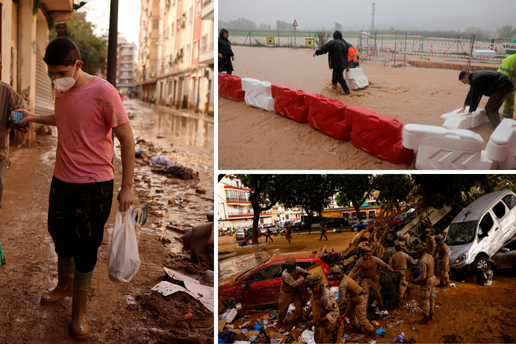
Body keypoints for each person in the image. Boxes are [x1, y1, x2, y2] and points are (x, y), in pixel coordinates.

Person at [14, 37, 134, 340]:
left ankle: (79, 311)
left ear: (78, 65)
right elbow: (66, 119)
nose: (57, 79)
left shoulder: (104, 92)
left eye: (61, 72)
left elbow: (127, 139)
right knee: (59, 234)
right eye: (53, 74)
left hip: (95, 186)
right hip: (62, 180)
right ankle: (63, 286)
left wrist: (127, 187)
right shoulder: (61, 89)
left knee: (86, 246)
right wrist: (33, 117)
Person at [0, 59, 28, 217]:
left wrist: (15, 119)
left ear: (0, 68)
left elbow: (24, 123)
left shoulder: (7, 92)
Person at [330, 265, 374, 336]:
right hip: (355, 297)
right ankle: (355, 327)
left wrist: (333, 306)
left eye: (333, 275)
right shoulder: (344, 276)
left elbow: (341, 298)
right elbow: (333, 278)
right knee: (349, 313)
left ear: (337, 275)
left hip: (361, 298)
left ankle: (372, 333)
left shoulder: (343, 283)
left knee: (362, 320)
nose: (333, 276)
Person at [304, 272, 344, 343]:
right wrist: (307, 312)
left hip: (327, 326)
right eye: (312, 287)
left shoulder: (327, 296)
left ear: (320, 284)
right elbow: (313, 302)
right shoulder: (313, 292)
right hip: (318, 325)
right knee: (318, 341)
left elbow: (335, 312)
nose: (314, 289)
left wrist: (321, 321)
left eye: (316, 287)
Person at [313, 30, 350, 95]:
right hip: (342, 65)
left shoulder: (332, 42)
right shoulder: (344, 44)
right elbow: (346, 55)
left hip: (336, 64)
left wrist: (316, 52)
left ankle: (348, 93)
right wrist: (347, 65)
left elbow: (324, 49)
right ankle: (334, 92)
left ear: (334, 36)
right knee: (334, 79)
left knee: (340, 78)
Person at [277, 257, 308, 325]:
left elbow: (305, 272)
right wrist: (303, 278)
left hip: (296, 291)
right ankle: (279, 321)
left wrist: (306, 273)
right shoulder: (285, 274)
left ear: (295, 266)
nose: (291, 270)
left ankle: (299, 319)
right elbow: (293, 284)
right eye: (289, 268)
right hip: (286, 292)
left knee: (299, 305)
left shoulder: (298, 269)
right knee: (283, 308)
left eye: (292, 268)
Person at [413, 243, 436, 324]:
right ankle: (431, 315)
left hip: (426, 281)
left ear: (420, 251)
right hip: (433, 278)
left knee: (424, 299)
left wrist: (415, 280)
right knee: (431, 298)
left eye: (418, 252)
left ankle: (426, 318)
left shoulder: (422, 261)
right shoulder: (430, 256)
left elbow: (423, 276)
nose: (417, 253)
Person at [498, 54, 516, 119]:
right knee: (497, 100)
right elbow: (503, 78)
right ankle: (493, 117)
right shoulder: (510, 61)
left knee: (510, 101)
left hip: (512, 84)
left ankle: (508, 118)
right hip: (501, 84)